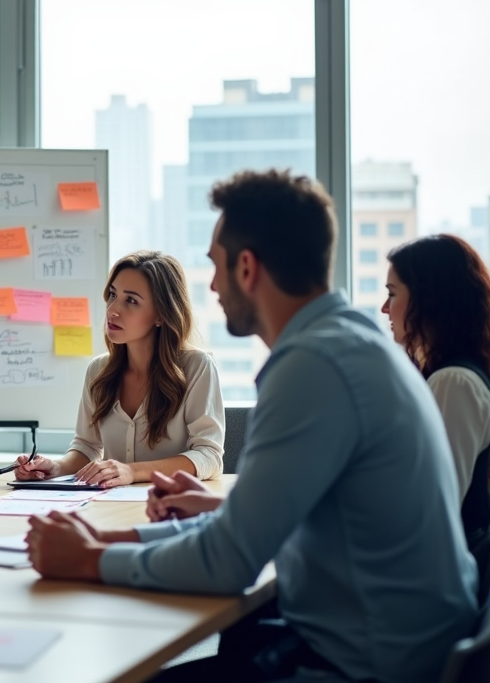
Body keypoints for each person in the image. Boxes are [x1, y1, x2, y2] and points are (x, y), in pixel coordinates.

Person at [25, 170, 477, 683]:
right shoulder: (352, 344)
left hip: (367, 663)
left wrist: (89, 561)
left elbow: (228, 562)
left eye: (216, 266)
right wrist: (110, 541)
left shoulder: (314, 367)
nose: (213, 286)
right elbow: (257, 524)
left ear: (247, 266)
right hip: (393, 640)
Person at [13, 251, 224, 487]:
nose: (113, 309)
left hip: (171, 508)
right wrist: (55, 468)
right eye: (113, 295)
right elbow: (87, 446)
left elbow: (209, 456)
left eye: (131, 301)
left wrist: (131, 471)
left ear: (161, 315)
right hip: (111, 507)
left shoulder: (197, 367)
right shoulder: (98, 371)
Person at [383, 234, 490, 546]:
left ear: (428, 300)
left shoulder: (454, 382)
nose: (384, 309)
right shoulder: (451, 375)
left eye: (392, 294)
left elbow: (434, 506)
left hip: (449, 568)